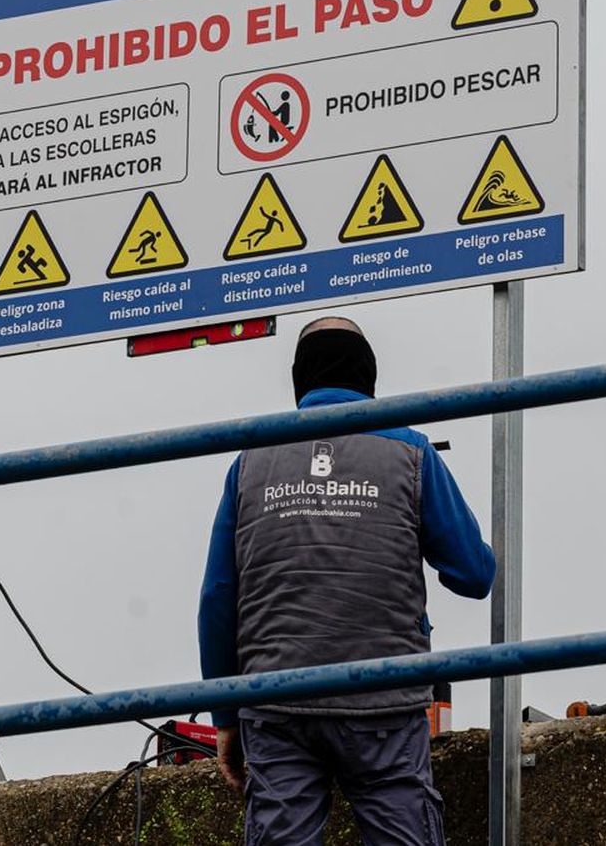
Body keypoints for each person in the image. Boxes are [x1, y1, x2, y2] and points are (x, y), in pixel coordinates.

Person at [198, 317, 497, 846]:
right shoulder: (411, 450)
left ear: (299, 380)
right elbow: (474, 575)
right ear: (369, 377)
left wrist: (226, 715)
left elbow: (219, 597)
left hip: (276, 703)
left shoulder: (250, 460)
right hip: (381, 701)